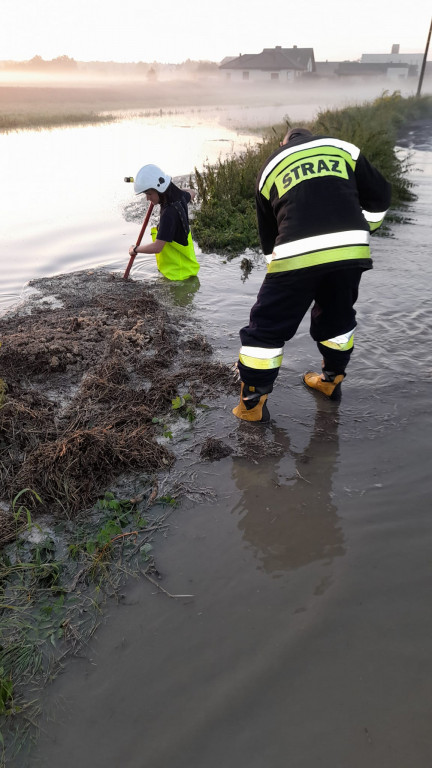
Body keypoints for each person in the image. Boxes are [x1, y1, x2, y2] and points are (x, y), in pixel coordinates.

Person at [233, 127, 392, 422]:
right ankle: (330, 383)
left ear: (284, 143)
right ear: (312, 137)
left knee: (267, 327)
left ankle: (251, 405)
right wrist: (363, 230)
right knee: (338, 320)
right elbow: (382, 197)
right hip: (350, 252)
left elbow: (268, 233)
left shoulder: (271, 166)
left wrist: (278, 272)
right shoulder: (344, 148)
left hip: (295, 254)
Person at [129, 164, 200, 281]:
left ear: (160, 190)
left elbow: (157, 247)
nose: (147, 199)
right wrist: (173, 190)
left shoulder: (169, 213)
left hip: (177, 276)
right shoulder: (180, 197)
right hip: (185, 271)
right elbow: (192, 192)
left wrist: (135, 249)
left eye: (149, 194)